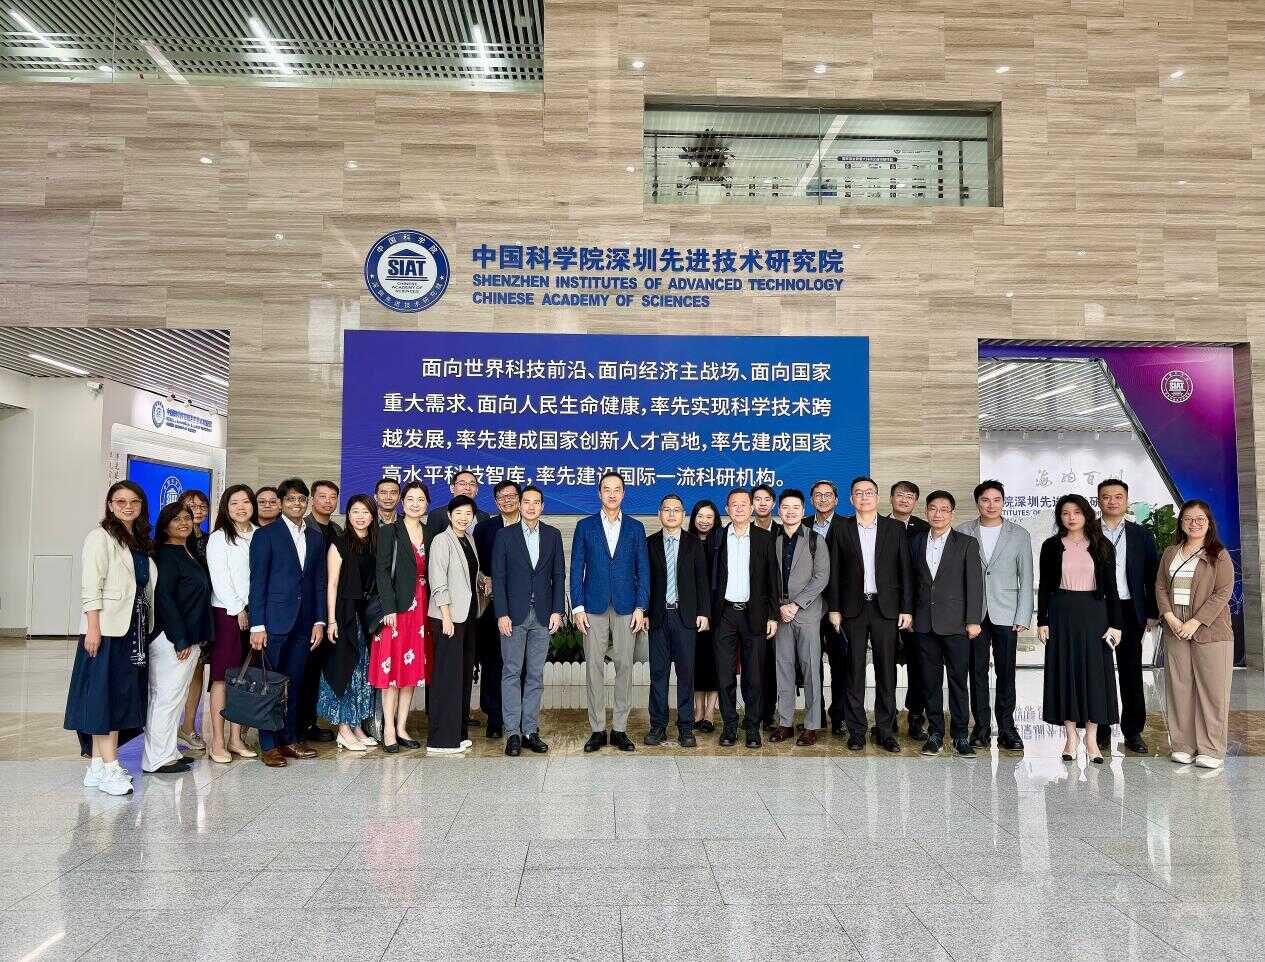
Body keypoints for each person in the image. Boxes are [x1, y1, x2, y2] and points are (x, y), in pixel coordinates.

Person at [65, 481, 156, 796]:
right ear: (110, 504)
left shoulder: (137, 540)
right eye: (120, 501)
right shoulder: (99, 537)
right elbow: (91, 585)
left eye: (134, 501)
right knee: (104, 699)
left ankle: (96, 767)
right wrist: (93, 628)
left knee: (116, 697)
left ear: (142, 506)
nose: (127, 506)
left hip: (133, 630)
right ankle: (111, 766)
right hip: (106, 631)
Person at [827, 476, 913, 753]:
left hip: (885, 608)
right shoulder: (841, 528)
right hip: (852, 609)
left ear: (877, 497)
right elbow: (834, 571)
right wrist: (834, 608)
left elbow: (905, 570)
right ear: (851, 499)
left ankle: (885, 730)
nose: (864, 497)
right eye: (858, 493)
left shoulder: (894, 528)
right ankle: (856, 731)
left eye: (869, 493)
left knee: (886, 671)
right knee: (853, 671)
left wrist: (906, 608)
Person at [247, 477, 328, 768]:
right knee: (270, 685)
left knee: (294, 684)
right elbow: (257, 583)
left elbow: (318, 582)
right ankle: (269, 745)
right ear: (281, 503)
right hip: (273, 624)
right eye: (291, 499)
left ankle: (289, 738)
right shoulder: (265, 535)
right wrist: (257, 625)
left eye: (301, 499)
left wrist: (319, 620)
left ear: (307, 503)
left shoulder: (315, 537)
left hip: (304, 624)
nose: (297, 503)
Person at [1037, 494, 1123, 764]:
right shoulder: (1051, 546)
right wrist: (1042, 621)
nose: (1071, 517)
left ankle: (1092, 739)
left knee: (1094, 674)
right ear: (1059, 517)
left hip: (1095, 613)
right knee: (1066, 672)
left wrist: (1116, 624)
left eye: (1076, 512)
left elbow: (1112, 588)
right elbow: (1045, 586)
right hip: (1061, 613)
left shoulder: (1102, 545)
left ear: (1086, 514)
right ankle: (1071, 737)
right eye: (1065, 513)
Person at [571, 471, 650, 753]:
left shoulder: (635, 528)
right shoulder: (585, 526)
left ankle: (619, 729)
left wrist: (641, 606)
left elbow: (643, 570)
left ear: (624, 493)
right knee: (593, 668)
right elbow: (576, 568)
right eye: (607, 489)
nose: (612, 494)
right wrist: (577, 607)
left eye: (617, 489)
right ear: (599, 493)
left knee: (625, 667)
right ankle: (596, 729)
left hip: (627, 607)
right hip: (593, 607)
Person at [956, 480, 1034, 753]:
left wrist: (1024, 613)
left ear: (1003, 502)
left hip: (1007, 611)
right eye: (985, 500)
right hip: (974, 613)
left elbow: (1026, 576)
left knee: (1006, 672)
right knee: (976, 671)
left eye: (996, 500)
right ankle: (981, 727)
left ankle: (1007, 728)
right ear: (977, 502)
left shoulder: (1019, 534)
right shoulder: (962, 531)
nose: (991, 505)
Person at [1157, 499, 1235, 769]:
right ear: (1181, 523)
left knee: (1213, 691)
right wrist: (1169, 616)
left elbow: (1222, 592)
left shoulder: (1219, 554)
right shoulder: (1171, 552)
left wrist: (1195, 622)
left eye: (1200, 519)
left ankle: (1211, 749)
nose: (1194, 523)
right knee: (1179, 687)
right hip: (1175, 627)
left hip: (1211, 629)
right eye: (1188, 518)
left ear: (1209, 523)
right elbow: (1160, 587)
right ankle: (1182, 746)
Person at [492, 485, 565, 756]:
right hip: (513, 615)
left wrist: (558, 611)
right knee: (511, 672)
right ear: (519, 505)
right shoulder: (505, 535)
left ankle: (530, 731)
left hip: (543, 615)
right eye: (527, 502)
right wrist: (501, 613)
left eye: (536, 502)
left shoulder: (553, 535)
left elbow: (559, 575)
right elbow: (498, 577)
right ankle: (512, 732)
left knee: (535, 674)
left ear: (542, 506)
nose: (531, 507)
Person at [909, 491, 983, 758]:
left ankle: (960, 735)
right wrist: (910, 614)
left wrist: (973, 620)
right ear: (926, 512)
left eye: (943, 509)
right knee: (930, 682)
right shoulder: (916, 541)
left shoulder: (966, 543)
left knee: (958, 682)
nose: (937, 514)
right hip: (924, 624)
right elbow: (911, 581)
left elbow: (974, 584)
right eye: (933, 509)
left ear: (952, 513)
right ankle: (935, 734)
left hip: (957, 624)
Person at [144, 502, 212, 774]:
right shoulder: (165, 554)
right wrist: (180, 639)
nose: (183, 523)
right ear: (164, 525)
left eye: (187, 518)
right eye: (176, 519)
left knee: (174, 697)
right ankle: (156, 759)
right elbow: (165, 600)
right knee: (165, 697)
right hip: (172, 640)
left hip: (188, 637)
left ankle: (168, 751)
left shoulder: (185, 551)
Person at [712, 487, 779, 749]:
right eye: (734, 504)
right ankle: (729, 726)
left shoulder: (765, 538)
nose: (739, 508)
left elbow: (773, 579)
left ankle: (753, 728)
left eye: (744, 504)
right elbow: (709, 578)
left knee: (754, 676)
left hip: (755, 614)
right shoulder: (718, 537)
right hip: (725, 614)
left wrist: (773, 615)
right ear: (727, 509)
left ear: (751, 508)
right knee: (725, 674)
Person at [1096, 479, 1160, 755]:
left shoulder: (1141, 535)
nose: (1112, 501)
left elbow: (1152, 576)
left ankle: (1133, 731)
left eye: (1118, 496)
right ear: (1098, 501)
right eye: (1106, 497)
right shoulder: (1088, 532)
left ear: (1126, 500)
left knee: (1131, 671)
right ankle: (1100, 728)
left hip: (1130, 610)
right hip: (1097, 610)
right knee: (1099, 671)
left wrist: (1153, 612)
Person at [645, 494, 710, 748]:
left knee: (686, 675)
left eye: (676, 510)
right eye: (667, 510)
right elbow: (645, 582)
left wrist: (703, 612)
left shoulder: (694, 543)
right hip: (658, 617)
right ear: (659, 514)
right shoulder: (649, 543)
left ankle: (685, 728)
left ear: (683, 514)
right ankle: (658, 726)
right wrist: (645, 612)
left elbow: (702, 580)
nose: (671, 514)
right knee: (658, 674)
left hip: (686, 618)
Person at [769, 489, 830, 747]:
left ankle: (812, 725)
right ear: (779, 511)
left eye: (795, 507)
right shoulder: (771, 539)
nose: (790, 511)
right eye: (785, 507)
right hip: (780, 614)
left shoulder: (815, 540)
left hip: (807, 614)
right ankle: (785, 723)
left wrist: (796, 604)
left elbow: (821, 577)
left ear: (803, 511)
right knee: (783, 668)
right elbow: (766, 577)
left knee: (810, 670)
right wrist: (779, 607)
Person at [374, 481, 431, 753]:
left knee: (411, 670)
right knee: (392, 670)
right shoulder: (389, 531)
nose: (415, 504)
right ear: (402, 502)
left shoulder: (430, 532)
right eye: (410, 499)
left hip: (422, 609)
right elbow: (382, 571)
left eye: (420, 499)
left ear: (427, 504)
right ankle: (388, 729)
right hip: (396, 609)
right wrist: (388, 608)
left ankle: (401, 727)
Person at [318, 494, 378, 752]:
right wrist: (331, 620)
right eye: (355, 511)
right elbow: (331, 584)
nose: (360, 516)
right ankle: (343, 728)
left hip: (367, 615)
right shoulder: (339, 543)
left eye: (365, 512)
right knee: (345, 668)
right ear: (348, 515)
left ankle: (357, 725)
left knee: (362, 671)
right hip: (344, 614)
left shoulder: (375, 543)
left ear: (372, 516)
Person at [427, 495, 486, 755]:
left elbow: (470, 574)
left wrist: (483, 581)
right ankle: (440, 740)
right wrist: (446, 616)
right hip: (448, 618)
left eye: (468, 513)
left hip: (468, 616)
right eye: (458, 513)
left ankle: (459, 733)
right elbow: (438, 580)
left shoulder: (468, 539)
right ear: (449, 515)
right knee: (447, 678)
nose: (463, 517)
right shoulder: (442, 540)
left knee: (462, 676)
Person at [205, 484, 259, 763]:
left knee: (244, 676)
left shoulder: (260, 534)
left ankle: (236, 738)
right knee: (222, 677)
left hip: (256, 614)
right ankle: (217, 740)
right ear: (226, 508)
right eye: (234, 503)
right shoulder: (219, 538)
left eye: (245, 502)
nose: (241, 507)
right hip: (226, 613)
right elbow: (220, 578)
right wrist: (238, 608)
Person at [473, 480, 521, 739]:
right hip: (493, 605)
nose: (507, 500)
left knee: (520, 662)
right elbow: (474, 565)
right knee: (494, 660)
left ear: (520, 499)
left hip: (523, 605)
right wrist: (484, 579)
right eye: (502, 497)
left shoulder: (530, 526)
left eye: (512, 496)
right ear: (495, 502)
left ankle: (520, 716)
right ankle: (494, 716)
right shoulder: (484, 529)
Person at [889, 480, 931, 740]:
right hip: (883, 608)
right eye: (900, 495)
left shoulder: (926, 529)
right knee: (885, 665)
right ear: (891, 498)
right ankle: (887, 716)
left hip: (916, 609)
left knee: (919, 666)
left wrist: (914, 609)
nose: (904, 500)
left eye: (910, 496)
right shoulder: (878, 525)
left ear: (915, 501)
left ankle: (916, 716)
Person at [807, 479, 847, 736]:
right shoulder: (801, 525)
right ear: (811, 500)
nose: (823, 499)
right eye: (818, 495)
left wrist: (839, 605)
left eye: (828, 495)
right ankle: (816, 714)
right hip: (807, 606)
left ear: (836, 499)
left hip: (837, 606)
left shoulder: (847, 526)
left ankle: (839, 715)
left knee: (840, 663)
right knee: (811, 663)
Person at [175, 488, 211, 753]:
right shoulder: (173, 541)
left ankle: (188, 727)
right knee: (176, 674)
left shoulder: (211, 540)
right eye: (191, 506)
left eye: (201, 506)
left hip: (204, 613)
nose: (197, 510)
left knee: (197, 669)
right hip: (180, 614)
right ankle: (164, 731)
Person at [688, 500, 723, 732]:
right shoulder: (687, 542)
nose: (704, 521)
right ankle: (698, 710)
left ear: (716, 519)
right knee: (696, 663)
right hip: (692, 613)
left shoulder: (722, 542)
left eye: (709, 517)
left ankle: (710, 713)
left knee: (715, 663)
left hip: (718, 614)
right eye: (700, 516)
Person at [425, 470, 489, 541]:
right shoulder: (437, 515)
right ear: (452, 488)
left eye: (472, 484)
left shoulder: (484, 516)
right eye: (462, 483)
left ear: (477, 490)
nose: (467, 488)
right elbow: (430, 544)